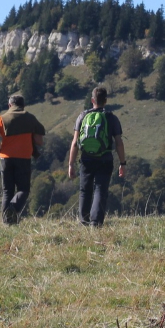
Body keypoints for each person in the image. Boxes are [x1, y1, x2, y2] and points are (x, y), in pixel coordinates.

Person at [67, 86, 126, 226]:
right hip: (105, 159)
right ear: (105, 101)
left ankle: (84, 221)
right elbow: (119, 143)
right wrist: (123, 163)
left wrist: (71, 164)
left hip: (86, 159)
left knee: (84, 190)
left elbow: (75, 142)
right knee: (100, 189)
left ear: (92, 100)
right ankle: (96, 222)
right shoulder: (111, 118)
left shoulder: (82, 116)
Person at [0, 94, 46, 225]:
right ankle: (13, 209)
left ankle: (7, 223)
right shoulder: (30, 118)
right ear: (23, 105)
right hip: (23, 158)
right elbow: (39, 141)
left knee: (7, 191)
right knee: (23, 190)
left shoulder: (2, 118)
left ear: (10, 105)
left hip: (5, 158)